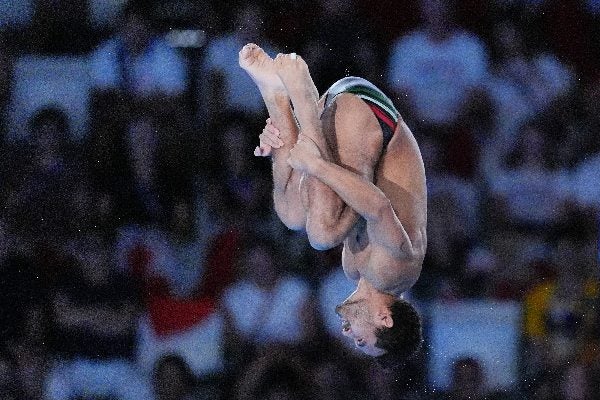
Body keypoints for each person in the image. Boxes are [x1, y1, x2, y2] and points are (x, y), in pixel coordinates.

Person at [239, 43, 426, 366]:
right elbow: (378, 206)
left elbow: (336, 197)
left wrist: (292, 159)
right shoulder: (396, 270)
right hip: (370, 113)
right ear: (385, 319)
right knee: (322, 233)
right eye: (361, 340)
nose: (348, 335)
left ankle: (278, 100)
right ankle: (301, 95)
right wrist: (313, 165)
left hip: (346, 123)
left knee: (293, 215)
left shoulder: (355, 270)